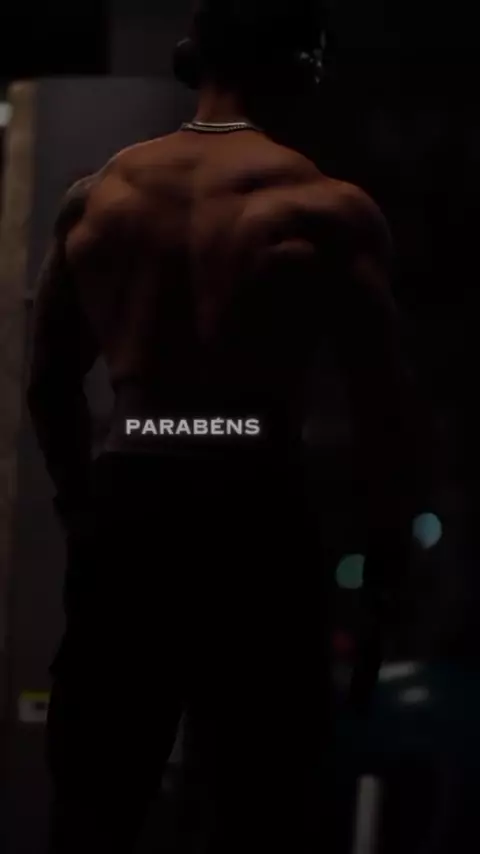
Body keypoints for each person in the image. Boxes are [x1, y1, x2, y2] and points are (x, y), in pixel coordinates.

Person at [27, 1, 420, 851]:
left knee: (95, 802)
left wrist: (81, 510)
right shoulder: (325, 206)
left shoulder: (101, 197)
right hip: (254, 505)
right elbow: (384, 406)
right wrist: (387, 561)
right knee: (264, 804)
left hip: (131, 503)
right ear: (300, 68)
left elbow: (49, 384)